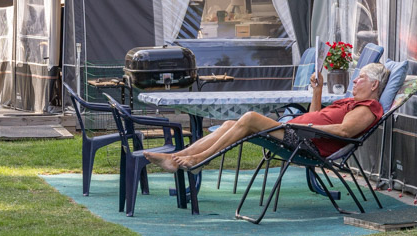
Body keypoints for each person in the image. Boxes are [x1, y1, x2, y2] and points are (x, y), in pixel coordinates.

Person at [147, 62, 387, 171]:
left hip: (306, 142)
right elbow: (316, 114)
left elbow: (345, 132)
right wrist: (318, 90)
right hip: (300, 133)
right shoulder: (350, 102)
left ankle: (199, 160)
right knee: (231, 123)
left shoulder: (368, 108)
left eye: (361, 79)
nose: (354, 81)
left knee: (250, 117)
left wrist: (310, 127)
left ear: (374, 85)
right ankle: (179, 157)